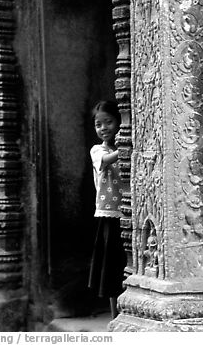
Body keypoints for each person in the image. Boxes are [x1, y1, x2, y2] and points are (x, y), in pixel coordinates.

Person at [88, 100, 128, 319]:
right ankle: (115, 316)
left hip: (126, 212)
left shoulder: (118, 147)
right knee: (111, 267)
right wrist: (125, 145)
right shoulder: (98, 150)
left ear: (119, 122)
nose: (103, 128)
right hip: (108, 215)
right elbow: (105, 161)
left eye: (109, 122)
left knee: (123, 263)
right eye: (98, 124)